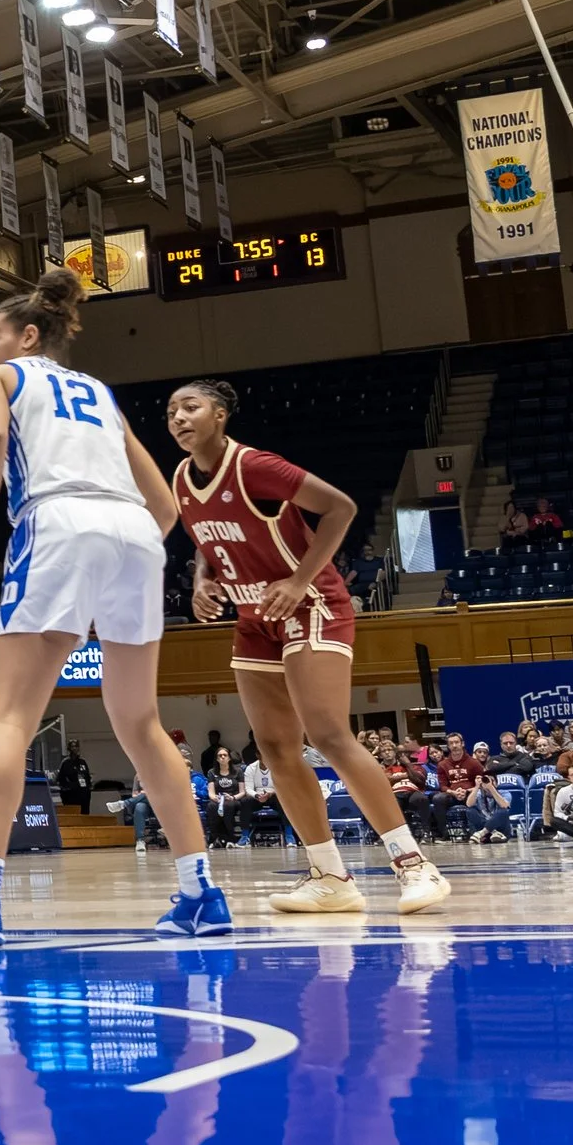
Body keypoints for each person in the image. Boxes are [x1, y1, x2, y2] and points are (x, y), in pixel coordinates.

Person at [0, 270, 225, 950]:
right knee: (141, 721)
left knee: (10, 716)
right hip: (135, 533)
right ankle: (201, 892)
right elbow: (166, 505)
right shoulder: (100, 393)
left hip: (56, 520)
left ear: (28, 336)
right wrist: (117, 558)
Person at [166, 379, 448, 917]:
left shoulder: (255, 467)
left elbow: (340, 508)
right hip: (254, 618)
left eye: (191, 407)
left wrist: (299, 580)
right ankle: (329, 877)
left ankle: (413, 865)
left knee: (328, 733)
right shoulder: (181, 479)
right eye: (172, 410)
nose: (178, 417)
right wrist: (204, 579)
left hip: (311, 604)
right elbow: (208, 541)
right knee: (274, 748)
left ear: (220, 415)